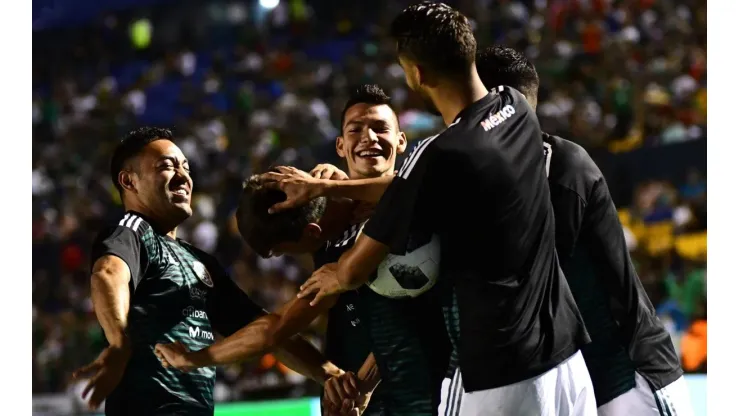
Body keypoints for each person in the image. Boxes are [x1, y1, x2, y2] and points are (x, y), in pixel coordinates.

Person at [269, 3, 596, 415]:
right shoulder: (515, 107)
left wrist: (333, 271)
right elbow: (407, 187)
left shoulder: (437, 155)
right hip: (567, 360)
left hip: (497, 370)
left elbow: (352, 270)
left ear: (417, 75)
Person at [156, 84, 453, 416]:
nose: (368, 137)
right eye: (355, 129)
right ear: (340, 145)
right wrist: (336, 379)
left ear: (401, 140)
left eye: (380, 127)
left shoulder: (416, 206)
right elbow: (276, 329)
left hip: (425, 396)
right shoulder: (328, 218)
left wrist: (194, 359)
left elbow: (409, 191)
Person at [474, 45, 692, 416]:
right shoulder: (497, 177)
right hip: (580, 389)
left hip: (630, 378)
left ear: (496, 104)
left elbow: (529, 272)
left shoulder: (563, 166)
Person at [71, 127, 344, 415]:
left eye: (185, 167)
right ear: (129, 181)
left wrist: (330, 376)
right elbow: (109, 274)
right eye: (167, 166)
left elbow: (269, 331)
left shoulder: (199, 261)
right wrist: (118, 342)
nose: (183, 176)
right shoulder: (133, 232)